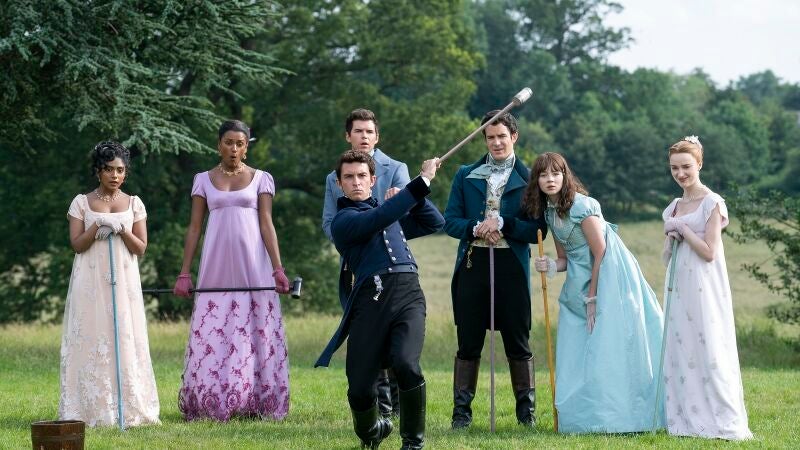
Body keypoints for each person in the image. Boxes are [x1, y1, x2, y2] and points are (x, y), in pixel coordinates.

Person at [315, 150, 444, 450]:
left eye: (362, 176)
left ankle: (413, 443)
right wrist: (421, 181)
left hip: (409, 293)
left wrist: (416, 199)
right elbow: (379, 217)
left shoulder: (388, 211)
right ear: (339, 184)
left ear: (373, 180)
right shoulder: (343, 222)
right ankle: (373, 430)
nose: (356, 182)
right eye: (349, 177)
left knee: (406, 363)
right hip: (371, 300)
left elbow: (434, 222)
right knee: (360, 388)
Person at [527, 152, 664, 433]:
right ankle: (584, 417)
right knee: (577, 346)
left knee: (608, 343)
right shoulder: (550, 213)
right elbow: (566, 258)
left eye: (556, 173)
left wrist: (592, 298)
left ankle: (622, 416)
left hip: (609, 276)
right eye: (543, 175)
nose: (550, 179)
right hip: (579, 280)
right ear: (536, 181)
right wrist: (550, 265)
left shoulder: (582, 206)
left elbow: (600, 252)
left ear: (565, 176)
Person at [173, 120, 292, 422]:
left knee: (256, 329)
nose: (234, 148)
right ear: (219, 145)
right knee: (216, 328)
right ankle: (212, 401)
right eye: (228, 142)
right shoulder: (202, 180)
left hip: (253, 265)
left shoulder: (262, 178)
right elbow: (194, 228)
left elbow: (267, 223)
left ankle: (258, 401)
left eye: (240, 143)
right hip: (215, 266)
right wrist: (184, 273)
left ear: (246, 147)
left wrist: (278, 269)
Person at [443, 111, 546, 429]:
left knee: (518, 339)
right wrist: (477, 228)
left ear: (514, 137)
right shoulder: (465, 174)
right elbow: (450, 221)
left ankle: (526, 414)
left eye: (502, 136)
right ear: (484, 139)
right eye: (491, 137)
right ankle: (461, 414)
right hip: (473, 262)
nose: (497, 142)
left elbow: (538, 230)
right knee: (468, 339)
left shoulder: (530, 179)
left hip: (511, 266)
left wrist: (504, 224)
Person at [60, 141, 160, 427]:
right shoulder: (81, 203)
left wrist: (122, 229)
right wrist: (96, 227)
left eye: (120, 170)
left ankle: (127, 406)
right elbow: (77, 245)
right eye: (108, 169)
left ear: (125, 173)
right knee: (92, 335)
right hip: (90, 281)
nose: (114, 175)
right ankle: (90, 407)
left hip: (123, 283)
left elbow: (141, 247)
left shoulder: (134, 203)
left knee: (124, 336)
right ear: (98, 171)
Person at [661, 136, 753, 440]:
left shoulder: (712, 203)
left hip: (704, 285)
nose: (680, 173)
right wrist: (670, 236)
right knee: (682, 346)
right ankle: (686, 417)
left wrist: (683, 229)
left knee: (709, 345)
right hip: (678, 284)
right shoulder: (674, 207)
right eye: (675, 168)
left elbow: (709, 251)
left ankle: (720, 419)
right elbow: (666, 258)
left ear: (699, 164)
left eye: (686, 166)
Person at [322, 108, 410, 418]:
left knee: (397, 334)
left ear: (377, 136)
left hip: (393, 265)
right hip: (358, 264)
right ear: (348, 136)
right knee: (370, 333)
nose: (364, 136)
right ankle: (383, 407)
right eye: (358, 131)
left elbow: (407, 211)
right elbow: (330, 221)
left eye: (369, 131)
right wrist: (353, 243)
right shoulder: (335, 176)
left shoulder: (397, 168)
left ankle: (399, 405)